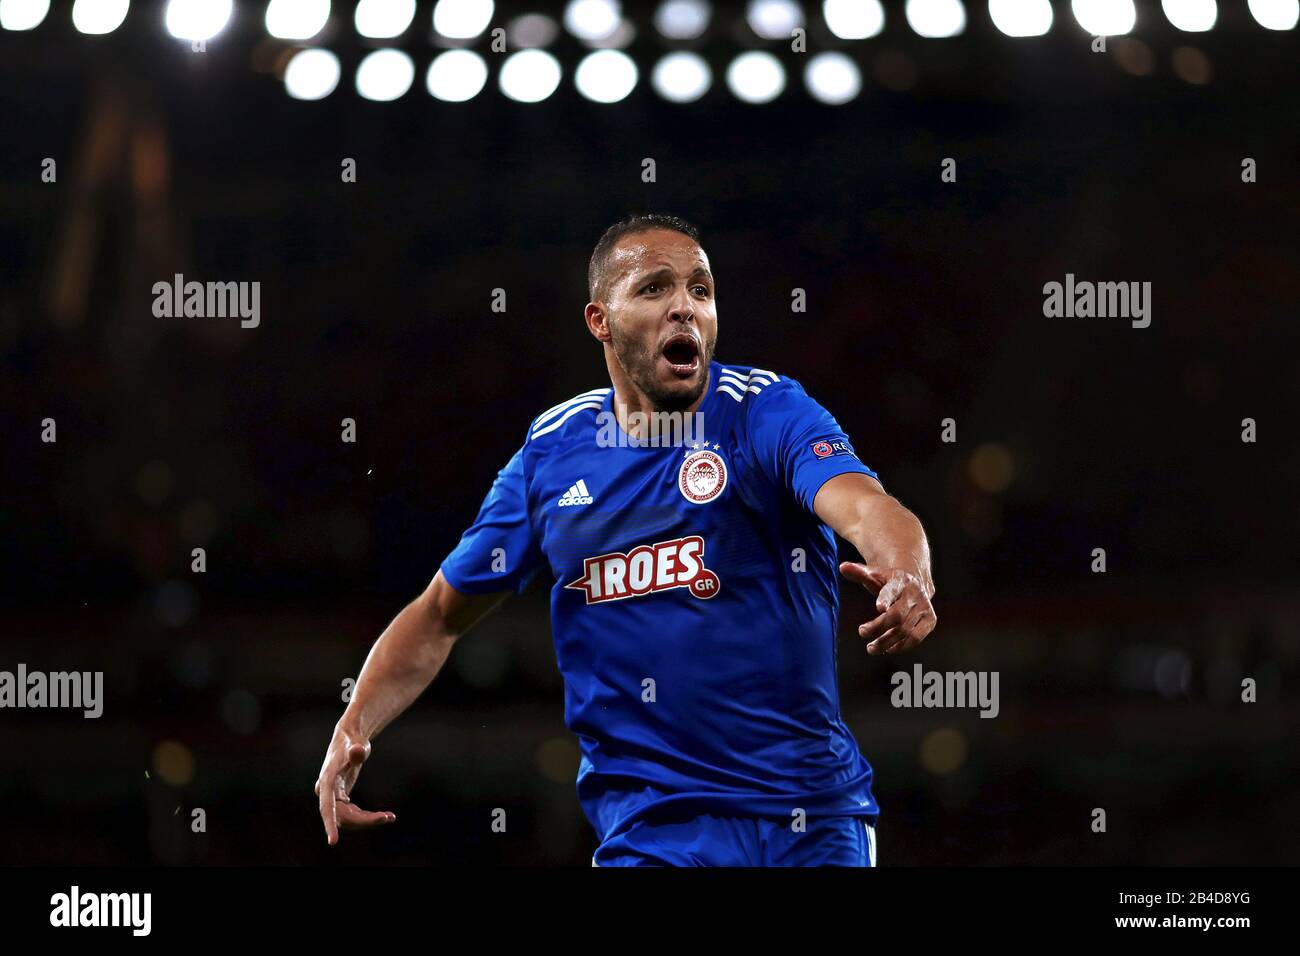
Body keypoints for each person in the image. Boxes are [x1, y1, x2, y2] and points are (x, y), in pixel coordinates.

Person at [315, 214, 937, 866]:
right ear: (599, 321)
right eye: (653, 289)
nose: (684, 308)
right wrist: (352, 726)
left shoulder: (767, 411)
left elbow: (867, 507)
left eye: (701, 290)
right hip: (652, 834)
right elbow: (439, 615)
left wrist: (906, 573)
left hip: (810, 822)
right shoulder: (552, 456)